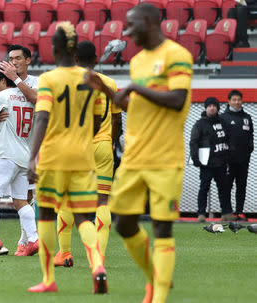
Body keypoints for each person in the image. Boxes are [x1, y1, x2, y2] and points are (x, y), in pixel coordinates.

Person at [86, 4, 193, 302]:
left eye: (132, 25)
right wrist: (109, 93)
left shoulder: (177, 55)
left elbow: (176, 99)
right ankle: (155, 278)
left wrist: (136, 88)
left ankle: (158, 296)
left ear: (149, 21)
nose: (128, 32)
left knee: (161, 226)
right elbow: (135, 108)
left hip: (165, 156)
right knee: (124, 222)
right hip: (134, 155)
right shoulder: (138, 62)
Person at [27, 21, 107, 294]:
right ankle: (97, 264)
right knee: (85, 217)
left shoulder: (49, 79)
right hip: (83, 158)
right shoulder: (91, 80)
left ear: (55, 48)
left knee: (47, 215)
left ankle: (49, 279)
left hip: (53, 158)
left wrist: (32, 157)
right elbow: (97, 122)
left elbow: (41, 118)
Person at [53, 41, 122, 268]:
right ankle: (98, 257)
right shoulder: (109, 82)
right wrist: (107, 143)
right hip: (102, 146)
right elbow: (116, 120)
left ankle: (64, 254)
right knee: (102, 201)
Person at [0, 65, 38, 257]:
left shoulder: (1, 97)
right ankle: (34, 240)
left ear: (2, 80)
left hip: (4, 154)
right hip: (24, 156)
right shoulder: (28, 99)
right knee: (20, 200)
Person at [190, 97, 233, 222]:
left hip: (221, 162)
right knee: (204, 188)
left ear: (218, 108)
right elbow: (193, 142)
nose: (212, 107)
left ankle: (226, 213)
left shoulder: (224, 123)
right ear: (205, 107)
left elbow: (229, 140)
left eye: (214, 105)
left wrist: (228, 157)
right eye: (209, 106)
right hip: (207, 163)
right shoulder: (199, 124)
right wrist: (195, 159)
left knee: (224, 188)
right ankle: (201, 214)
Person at [220, 90, 254, 221]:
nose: (236, 102)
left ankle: (239, 212)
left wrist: (249, 151)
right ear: (229, 101)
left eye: (238, 99)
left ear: (242, 101)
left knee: (242, 186)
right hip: (227, 160)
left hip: (243, 160)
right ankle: (227, 212)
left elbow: (251, 137)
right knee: (226, 186)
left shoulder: (247, 117)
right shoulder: (223, 117)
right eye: (234, 99)